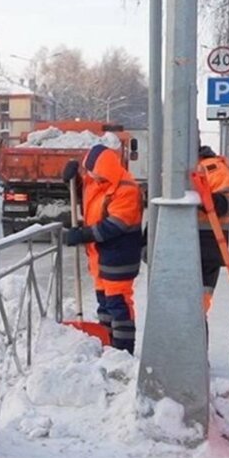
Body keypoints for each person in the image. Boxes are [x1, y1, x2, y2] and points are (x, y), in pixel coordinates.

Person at [61, 144, 144, 354]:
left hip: (119, 257)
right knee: (105, 305)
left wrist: (83, 234)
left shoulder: (126, 189)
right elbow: (87, 199)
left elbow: (115, 225)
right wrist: (73, 181)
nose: (92, 177)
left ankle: (123, 352)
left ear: (107, 170)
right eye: (89, 173)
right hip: (99, 257)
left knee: (118, 305)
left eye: (95, 173)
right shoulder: (97, 183)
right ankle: (108, 345)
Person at [196, 145, 229, 315]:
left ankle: (196, 340)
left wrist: (209, 201)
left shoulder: (214, 168)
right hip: (175, 249)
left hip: (208, 247)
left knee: (197, 310)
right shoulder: (171, 168)